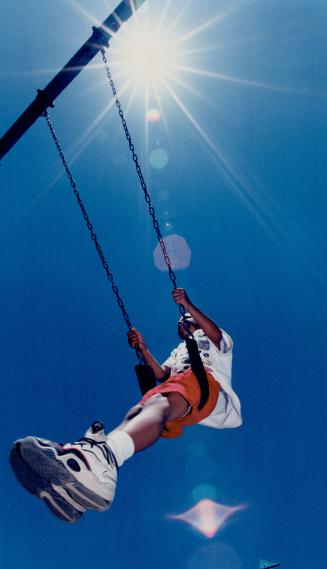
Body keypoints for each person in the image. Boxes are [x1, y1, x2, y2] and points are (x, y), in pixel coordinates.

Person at [10, 289, 242, 523]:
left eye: (186, 320)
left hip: (207, 385)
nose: (182, 323)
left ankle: (103, 458)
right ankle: (83, 478)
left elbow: (214, 332)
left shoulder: (212, 339)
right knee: (145, 407)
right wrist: (142, 348)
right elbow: (161, 373)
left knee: (159, 401)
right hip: (183, 392)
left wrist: (188, 306)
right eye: (180, 323)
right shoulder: (179, 351)